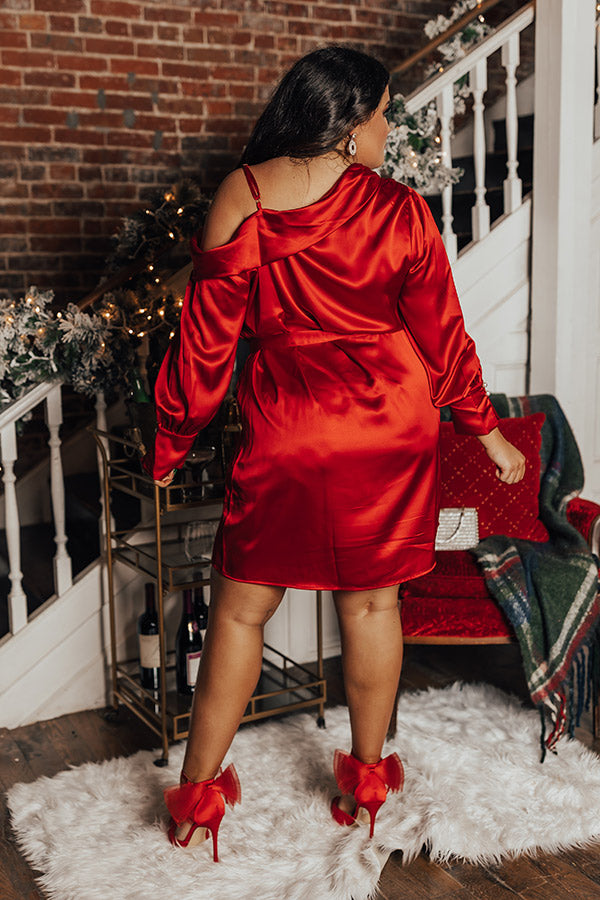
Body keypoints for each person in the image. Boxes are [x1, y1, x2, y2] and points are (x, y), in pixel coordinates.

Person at [142, 45, 525, 861]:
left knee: (239, 611)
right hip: (389, 427)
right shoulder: (402, 210)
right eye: (384, 114)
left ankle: (196, 800)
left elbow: (206, 341)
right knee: (373, 607)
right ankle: (366, 786)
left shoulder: (244, 194)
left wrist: (173, 436)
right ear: (348, 123)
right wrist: (483, 428)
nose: (389, 129)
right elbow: (442, 333)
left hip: (290, 429)